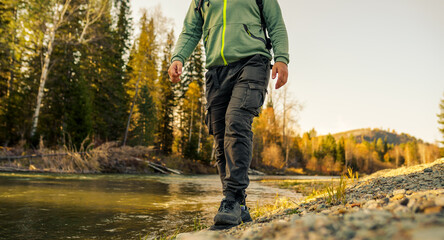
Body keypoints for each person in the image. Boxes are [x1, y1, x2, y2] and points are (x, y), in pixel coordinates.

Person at [168, 0, 289, 229]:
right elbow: (191, 29)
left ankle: (232, 198)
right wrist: (178, 57)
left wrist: (281, 57)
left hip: (253, 62)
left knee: (236, 121)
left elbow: (276, 24)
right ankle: (238, 205)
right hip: (216, 71)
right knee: (220, 136)